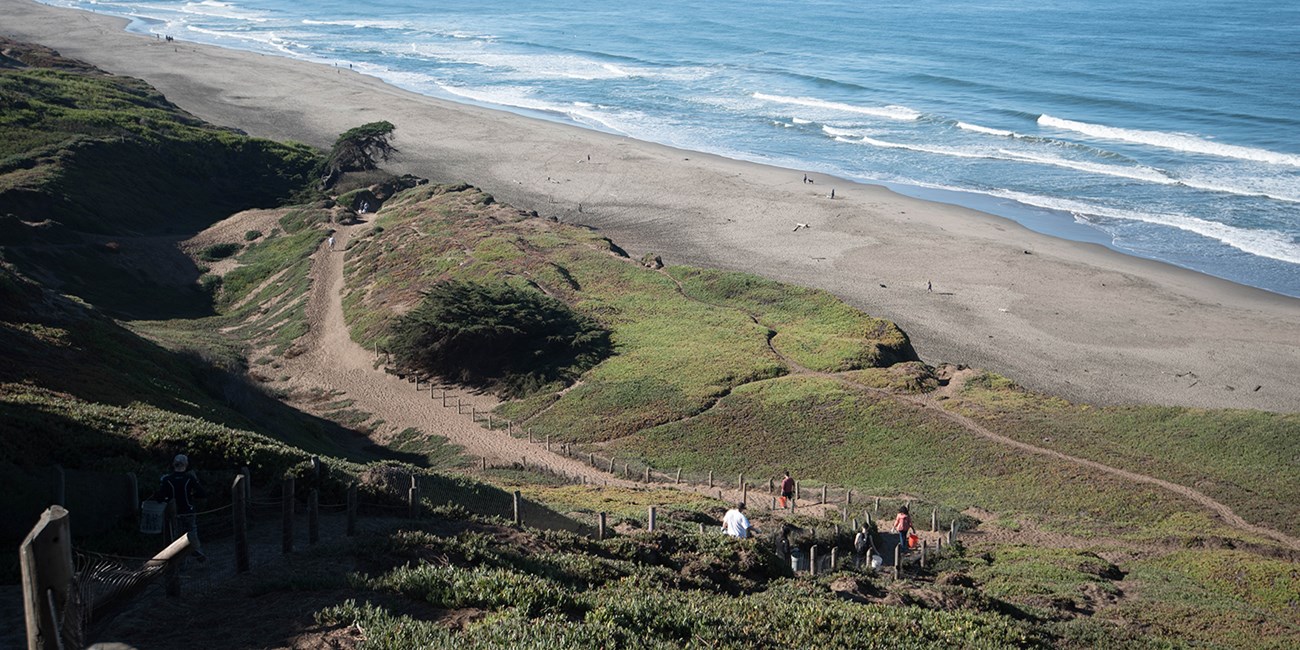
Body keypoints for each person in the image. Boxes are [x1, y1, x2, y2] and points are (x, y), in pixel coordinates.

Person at [152, 454, 207, 561]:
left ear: (173, 464)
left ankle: (181, 562)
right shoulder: (189, 478)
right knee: (191, 531)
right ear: (186, 464)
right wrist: (192, 496)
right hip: (188, 510)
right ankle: (196, 550)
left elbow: (160, 497)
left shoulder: (167, 479)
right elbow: (202, 493)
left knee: (176, 538)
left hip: (174, 513)